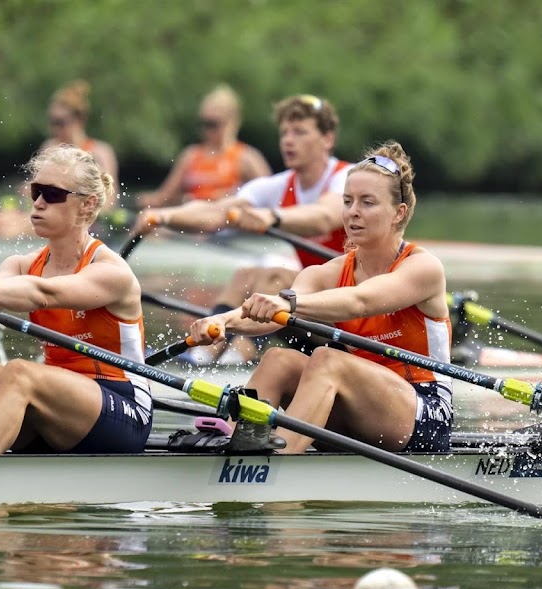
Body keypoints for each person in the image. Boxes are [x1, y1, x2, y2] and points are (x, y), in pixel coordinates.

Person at [188, 142, 453, 454]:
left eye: (367, 203)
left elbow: (360, 302)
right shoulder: (328, 273)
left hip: (423, 411)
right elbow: (275, 310)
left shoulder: (423, 268)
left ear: (399, 213)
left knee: (327, 359)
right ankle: (232, 442)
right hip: (359, 407)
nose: (353, 212)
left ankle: (281, 462)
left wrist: (288, 304)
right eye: (348, 201)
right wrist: (222, 321)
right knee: (278, 360)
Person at [0, 144, 152, 456]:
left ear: (87, 206)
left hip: (123, 411)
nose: (37, 203)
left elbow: (44, 293)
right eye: (35, 192)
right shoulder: (22, 264)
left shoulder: (111, 272)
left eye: (52, 194)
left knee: (19, 372)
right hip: (53, 407)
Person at [130, 94, 350, 364]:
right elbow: (217, 213)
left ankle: (231, 357)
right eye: (284, 133)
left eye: (300, 132)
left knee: (273, 280)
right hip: (314, 304)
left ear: (327, 139)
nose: (288, 140)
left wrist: (271, 216)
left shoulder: (347, 178)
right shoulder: (278, 185)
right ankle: (206, 354)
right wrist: (164, 216)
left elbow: (325, 217)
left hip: (350, 308)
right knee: (245, 276)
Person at [0, 79, 119, 241]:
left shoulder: (100, 152)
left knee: (10, 229)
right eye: (51, 122)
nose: (54, 128)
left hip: (79, 222)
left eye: (60, 122)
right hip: (45, 212)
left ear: (79, 120)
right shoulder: (49, 147)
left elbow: (107, 202)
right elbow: (35, 190)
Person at [135, 84, 271, 208]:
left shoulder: (247, 158)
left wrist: (234, 196)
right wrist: (144, 200)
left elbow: (269, 198)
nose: (206, 130)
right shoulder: (189, 156)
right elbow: (163, 198)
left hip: (227, 225)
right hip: (192, 223)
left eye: (213, 124)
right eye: (204, 123)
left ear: (233, 121)